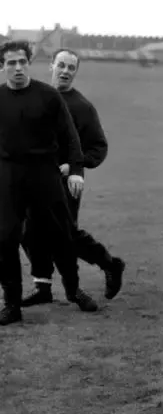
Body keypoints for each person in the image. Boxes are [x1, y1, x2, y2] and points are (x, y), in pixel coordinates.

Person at [0, 40, 97, 325]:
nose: (17, 67)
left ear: (29, 63)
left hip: (45, 173)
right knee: (4, 239)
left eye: (22, 62)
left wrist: (77, 169)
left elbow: (70, 137)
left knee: (61, 236)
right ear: (2, 66)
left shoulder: (48, 96)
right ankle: (12, 305)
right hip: (8, 176)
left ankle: (74, 290)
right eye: (11, 63)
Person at [21, 48, 126, 306]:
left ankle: (110, 264)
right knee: (28, 231)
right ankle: (42, 287)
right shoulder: (39, 98)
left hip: (65, 183)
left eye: (71, 68)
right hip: (31, 179)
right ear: (51, 66)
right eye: (62, 65)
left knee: (64, 234)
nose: (65, 71)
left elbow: (98, 147)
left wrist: (74, 165)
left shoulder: (82, 107)